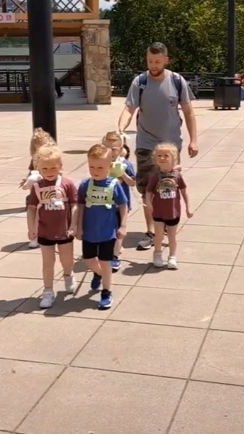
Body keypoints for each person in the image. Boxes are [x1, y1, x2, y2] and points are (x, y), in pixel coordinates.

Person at [117, 42, 199, 251]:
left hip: (171, 146)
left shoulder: (177, 81)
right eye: (150, 61)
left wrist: (193, 140)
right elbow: (129, 107)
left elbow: (189, 112)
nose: (153, 65)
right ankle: (152, 232)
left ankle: (168, 228)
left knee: (168, 189)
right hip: (146, 144)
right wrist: (121, 127)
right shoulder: (140, 82)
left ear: (166, 60)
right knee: (147, 191)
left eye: (157, 61)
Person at [74, 144, 129, 310]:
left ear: (109, 166)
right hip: (89, 231)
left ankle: (106, 291)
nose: (95, 170)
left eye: (100, 167)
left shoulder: (114, 184)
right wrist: (78, 227)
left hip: (108, 232)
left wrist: (123, 226)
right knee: (89, 260)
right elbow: (81, 206)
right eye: (91, 166)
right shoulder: (85, 185)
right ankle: (98, 273)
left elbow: (123, 205)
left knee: (106, 263)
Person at [26, 146, 78, 309]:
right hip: (45, 231)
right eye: (45, 168)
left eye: (53, 167)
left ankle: (68, 275)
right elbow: (32, 208)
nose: (49, 171)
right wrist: (31, 228)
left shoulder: (67, 184)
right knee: (48, 263)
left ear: (60, 166)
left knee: (67, 259)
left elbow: (75, 205)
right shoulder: (37, 186)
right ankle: (48, 291)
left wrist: (74, 224)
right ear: (38, 168)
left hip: (65, 231)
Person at [145, 143, 194, 269]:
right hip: (158, 212)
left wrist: (188, 208)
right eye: (159, 155)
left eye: (166, 155)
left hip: (173, 212)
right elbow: (149, 191)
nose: (162, 158)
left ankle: (172, 256)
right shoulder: (155, 176)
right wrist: (149, 202)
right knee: (159, 236)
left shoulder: (177, 176)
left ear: (174, 159)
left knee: (172, 236)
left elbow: (184, 192)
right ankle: (157, 254)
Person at [103, 131, 136, 272]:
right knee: (108, 229)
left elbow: (133, 182)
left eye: (114, 149)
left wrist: (122, 174)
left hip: (122, 203)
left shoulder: (125, 164)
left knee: (120, 230)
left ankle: (115, 256)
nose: (110, 152)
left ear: (121, 149)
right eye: (107, 148)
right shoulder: (102, 163)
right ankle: (108, 251)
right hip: (105, 202)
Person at [20, 128, 57, 249]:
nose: (39, 152)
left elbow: (58, 174)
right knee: (32, 213)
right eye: (36, 149)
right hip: (35, 193)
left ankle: (50, 234)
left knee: (48, 215)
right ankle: (33, 235)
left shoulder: (52, 160)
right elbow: (31, 173)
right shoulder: (34, 161)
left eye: (42, 148)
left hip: (48, 192)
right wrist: (27, 180)